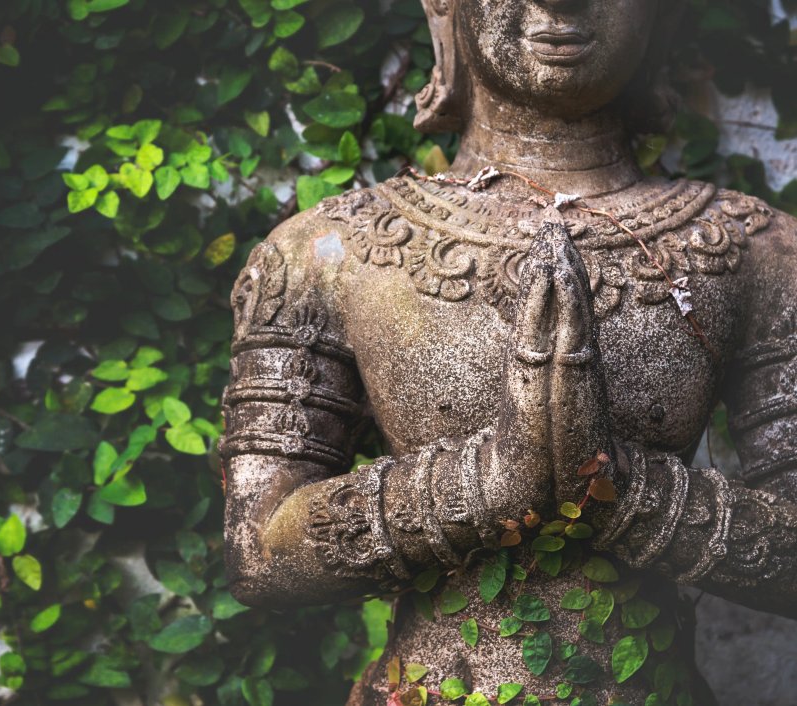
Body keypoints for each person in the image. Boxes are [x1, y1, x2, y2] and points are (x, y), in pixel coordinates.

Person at [221, 0, 797, 703]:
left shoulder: (761, 253)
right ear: (445, 10)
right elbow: (257, 551)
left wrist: (620, 488)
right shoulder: (325, 253)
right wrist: (493, 481)